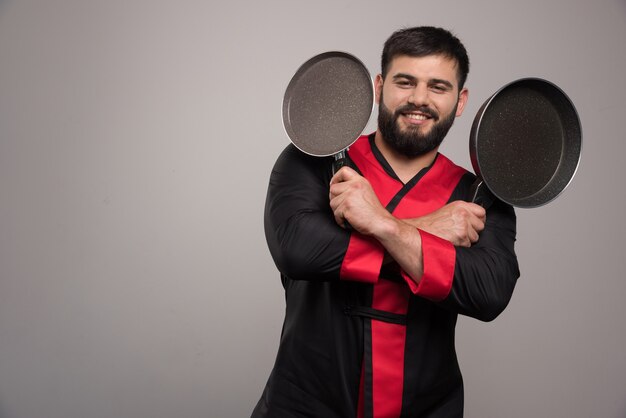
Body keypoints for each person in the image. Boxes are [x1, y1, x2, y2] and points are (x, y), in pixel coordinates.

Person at [252, 26, 520, 418]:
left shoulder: (477, 196)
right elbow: (298, 248)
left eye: (438, 87)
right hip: (303, 403)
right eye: (405, 82)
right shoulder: (313, 158)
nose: (419, 99)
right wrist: (425, 230)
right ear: (378, 86)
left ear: (461, 101)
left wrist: (380, 221)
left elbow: (488, 290)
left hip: (426, 406)